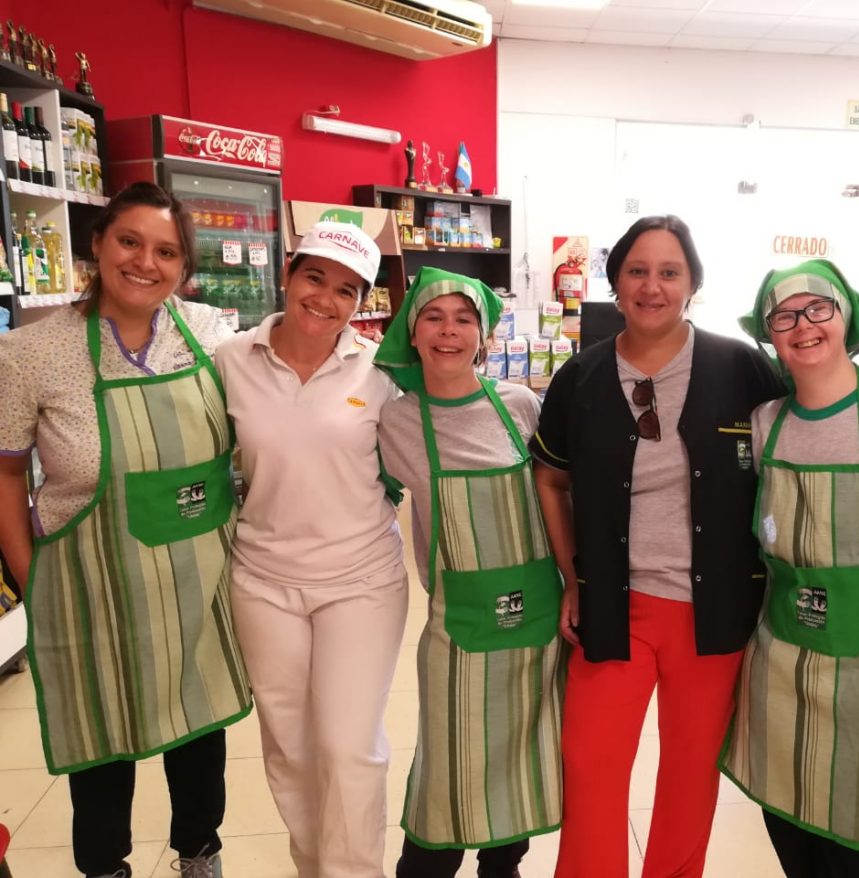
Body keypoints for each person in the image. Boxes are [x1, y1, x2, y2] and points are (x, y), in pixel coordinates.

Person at [0, 181, 251, 878]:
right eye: (130, 242)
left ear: (184, 266)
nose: (146, 262)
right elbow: (8, 477)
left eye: (166, 251)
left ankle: (199, 852)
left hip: (196, 578)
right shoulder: (30, 353)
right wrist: (32, 580)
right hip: (88, 583)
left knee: (198, 725)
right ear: (98, 244)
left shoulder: (211, 335)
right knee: (99, 735)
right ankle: (105, 866)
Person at [531, 215, 783, 878]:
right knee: (591, 765)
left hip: (715, 611)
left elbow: (795, 458)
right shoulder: (580, 377)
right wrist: (572, 579)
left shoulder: (742, 368)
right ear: (614, 282)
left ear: (693, 283)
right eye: (637, 271)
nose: (652, 286)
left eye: (670, 272)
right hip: (616, 606)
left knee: (691, 771)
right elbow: (550, 478)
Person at [721, 260, 859, 877]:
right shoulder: (766, 423)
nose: (803, 325)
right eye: (783, 316)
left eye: (818, 308)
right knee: (794, 840)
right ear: (768, 335)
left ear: (847, 315)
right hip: (782, 667)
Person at [214, 222, 408, 878]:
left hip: (362, 580)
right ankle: (313, 866)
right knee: (290, 749)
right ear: (288, 273)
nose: (326, 299)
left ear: (361, 302)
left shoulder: (378, 372)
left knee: (349, 746)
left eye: (346, 290)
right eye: (315, 278)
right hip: (264, 582)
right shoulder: (231, 361)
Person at [374, 267, 565, 878]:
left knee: (518, 761)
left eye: (463, 319)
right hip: (457, 627)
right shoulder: (395, 421)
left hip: (535, 622)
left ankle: (502, 867)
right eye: (433, 317)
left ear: (484, 336)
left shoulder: (521, 406)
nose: (448, 331)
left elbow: (558, 495)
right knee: (447, 769)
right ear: (412, 332)